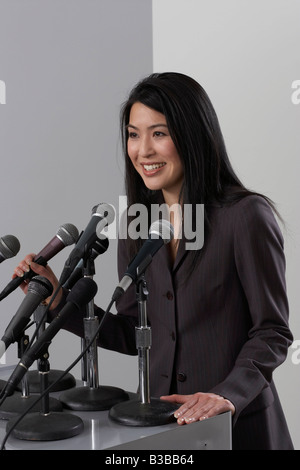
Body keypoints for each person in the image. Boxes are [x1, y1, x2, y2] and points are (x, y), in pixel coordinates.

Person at [13, 72, 294, 450]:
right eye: (133, 134)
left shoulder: (244, 215)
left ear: (193, 135)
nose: (142, 150)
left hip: (238, 429)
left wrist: (227, 394)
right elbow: (135, 332)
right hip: (164, 431)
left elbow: (272, 332)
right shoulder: (136, 224)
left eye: (159, 133)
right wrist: (59, 300)